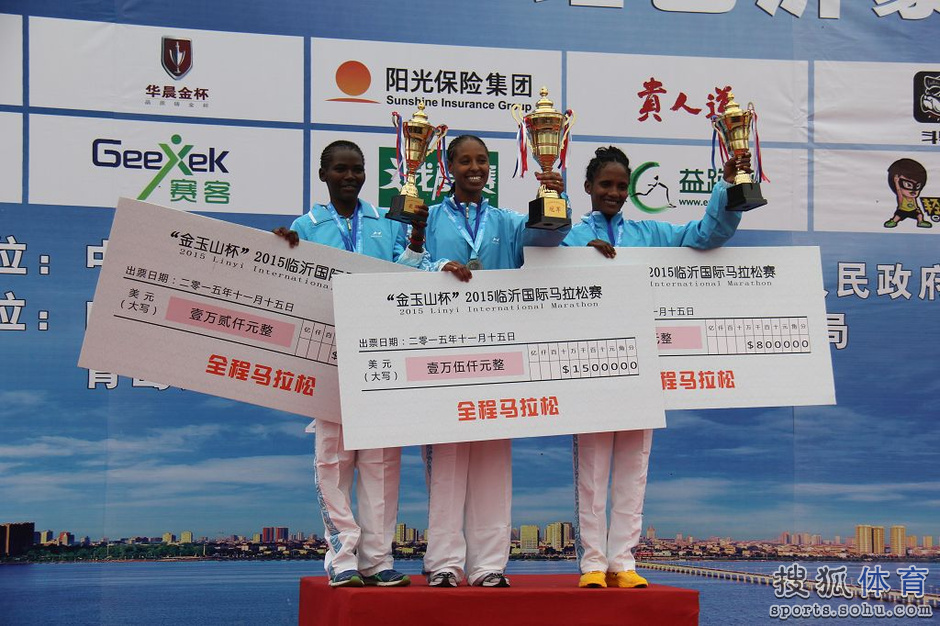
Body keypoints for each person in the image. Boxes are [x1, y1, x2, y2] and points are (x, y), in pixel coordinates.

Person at [274, 140, 465, 588]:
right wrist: (281, 249)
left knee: (382, 464)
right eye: (341, 169)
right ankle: (342, 557)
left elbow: (410, 268)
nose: (350, 177)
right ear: (323, 175)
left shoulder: (385, 221)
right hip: (329, 358)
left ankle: (378, 559)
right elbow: (286, 279)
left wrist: (425, 248)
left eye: (357, 169)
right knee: (333, 462)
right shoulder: (306, 226)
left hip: (381, 356)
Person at [562, 145, 748, 589]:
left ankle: (623, 561)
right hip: (591, 366)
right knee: (592, 472)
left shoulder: (652, 234)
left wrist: (726, 187)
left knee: (635, 468)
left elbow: (706, 235)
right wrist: (578, 254)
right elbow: (541, 266)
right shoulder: (569, 236)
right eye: (605, 184)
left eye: (621, 186)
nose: (613, 192)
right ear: (587, 187)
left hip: (643, 366)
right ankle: (592, 563)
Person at [420, 134, 570, 588]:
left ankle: (488, 565)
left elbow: (549, 235)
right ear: (448, 167)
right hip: (443, 350)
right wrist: (437, 269)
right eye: (465, 160)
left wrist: (555, 198)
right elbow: (404, 262)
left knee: (493, 460)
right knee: (446, 460)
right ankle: (444, 563)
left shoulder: (507, 220)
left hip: (498, 351)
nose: (475, 168)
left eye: (482, 160)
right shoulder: (428, 217)